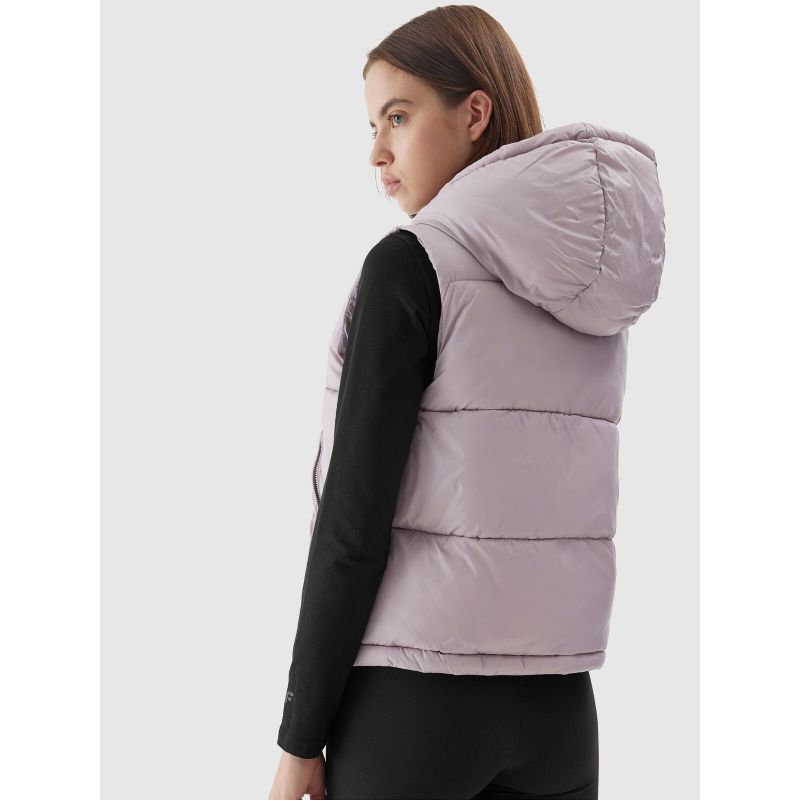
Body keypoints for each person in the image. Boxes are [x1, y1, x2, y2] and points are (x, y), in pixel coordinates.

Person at [269, 6, 665, 800]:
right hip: (559, 712)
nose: (377, 153)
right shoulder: (588, 283)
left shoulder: (411, 267)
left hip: (413, 710)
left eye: (398, 117)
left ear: (474, 112)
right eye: (373, 126)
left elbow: (353, 525)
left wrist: (299, 737)